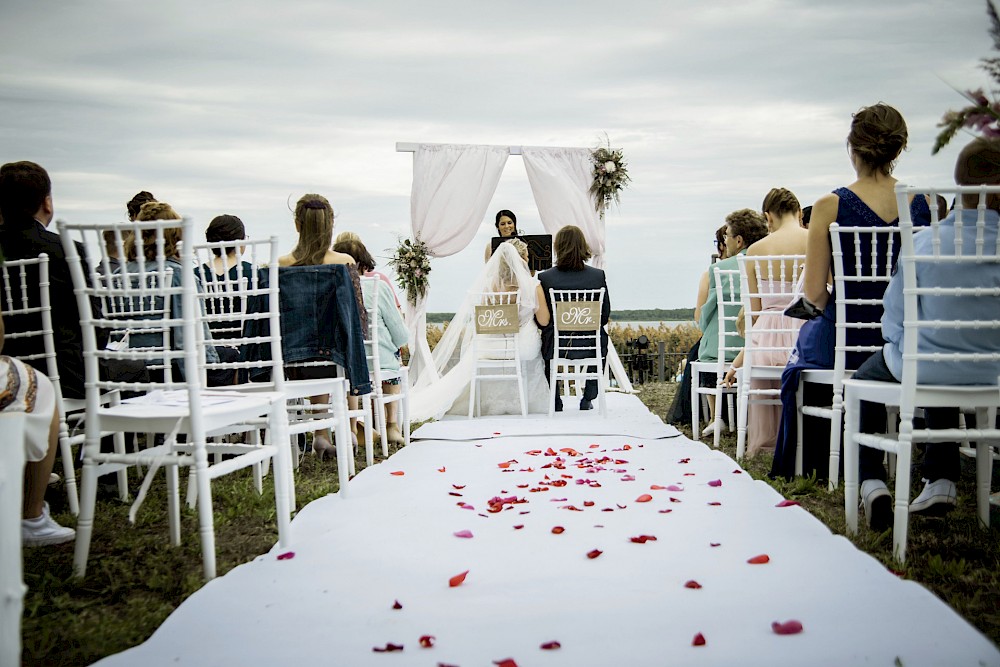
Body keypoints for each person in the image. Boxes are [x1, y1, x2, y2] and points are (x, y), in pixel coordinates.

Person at [770, 103, 932, 480]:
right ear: (897, 149)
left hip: (846, 333)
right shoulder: (922, 203)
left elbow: (813, 293)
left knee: (799, 361)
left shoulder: (829, 205)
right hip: (907, 337)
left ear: (853, 148)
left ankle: (817, 461)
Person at [856, 137, 1000, 529]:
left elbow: (893, 322)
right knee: (938, 358)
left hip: (927, 365)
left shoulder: (922, 242)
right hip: (993, 376)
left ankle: (872, 482)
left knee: (869, 376)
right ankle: (940, 478)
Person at [409, 239, 550, 419]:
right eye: (527, 256)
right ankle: (521, 402)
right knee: (531, 343)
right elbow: (544, 321)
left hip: (489, 347)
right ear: (522, 258)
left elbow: (482, 320)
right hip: (522, 348)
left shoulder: (487, 286)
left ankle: (484, 402)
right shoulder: (533, 285)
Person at [278, 194, 368, 456]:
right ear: (330, 225)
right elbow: (356, 316)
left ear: (298, 224)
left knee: (311, 344)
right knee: (334, 344)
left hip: (292, 355)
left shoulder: (282, 264)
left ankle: (320, 433)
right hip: (336, 355)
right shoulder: (344, 263)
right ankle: (347, 429)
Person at [0, 161, 98, 400]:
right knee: (135, 371)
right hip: (67, 375)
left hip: (5, 376)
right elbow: (94, 323)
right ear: (47, 202)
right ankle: (100, 436)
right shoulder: (66, 249)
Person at [722, 188, 809, 456]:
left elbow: (754, 312)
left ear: (768, 217)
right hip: (805, 333)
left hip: (767, 340)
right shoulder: (815, 240)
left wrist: (740, 359)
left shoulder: (756, 250)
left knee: (761, 355)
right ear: (799, 213)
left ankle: (768, 442)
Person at [122, 201, 231, 384]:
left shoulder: (118, 276)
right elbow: (190, 336)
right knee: (234, 357)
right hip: (167, 369)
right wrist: (201, 376)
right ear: (176, 236)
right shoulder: (178, 274)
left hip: (128, 370)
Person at [0, 308, 76, 546]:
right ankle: (30, 516)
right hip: (64, 362)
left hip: (47, 351)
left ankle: (27, 474)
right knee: (37, 384)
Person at [695, 209, 768, 436]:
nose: (724, 241)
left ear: (738, 240)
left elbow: (702, 318)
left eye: (726, 236)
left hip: (722, 351)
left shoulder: (717, 270)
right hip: (760, 347)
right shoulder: (768, 263)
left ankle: (717, 416)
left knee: (706, 348)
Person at [333, 237, 408, 445]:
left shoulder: (331, 289)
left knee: (352, 378)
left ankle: (354, 425)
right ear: (363, 263)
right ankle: (392, 424)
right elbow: (401, 335)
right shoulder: (378, 287)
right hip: (378, 361)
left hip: (344, 363)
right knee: (393, 359)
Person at [535, 225, 609, 412]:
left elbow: (542, 320)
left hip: (557, 346)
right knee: (601, 338)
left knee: (545, 337)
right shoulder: (597, 276)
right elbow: (604, 316)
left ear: (558, 248)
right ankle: (588, 398)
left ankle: (556, 400)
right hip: (590, 344)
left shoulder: (545, 278)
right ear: (582, 246)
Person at [667, 224, 728, 425]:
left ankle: (714, 415)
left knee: (698, 353)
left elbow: (699, 317)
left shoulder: (712, 273)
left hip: (720, 344)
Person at [199, 214, 255, 342]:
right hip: (245, 346)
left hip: (205, 347)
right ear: (240, 242)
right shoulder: (253, 272)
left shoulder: (195, 274)